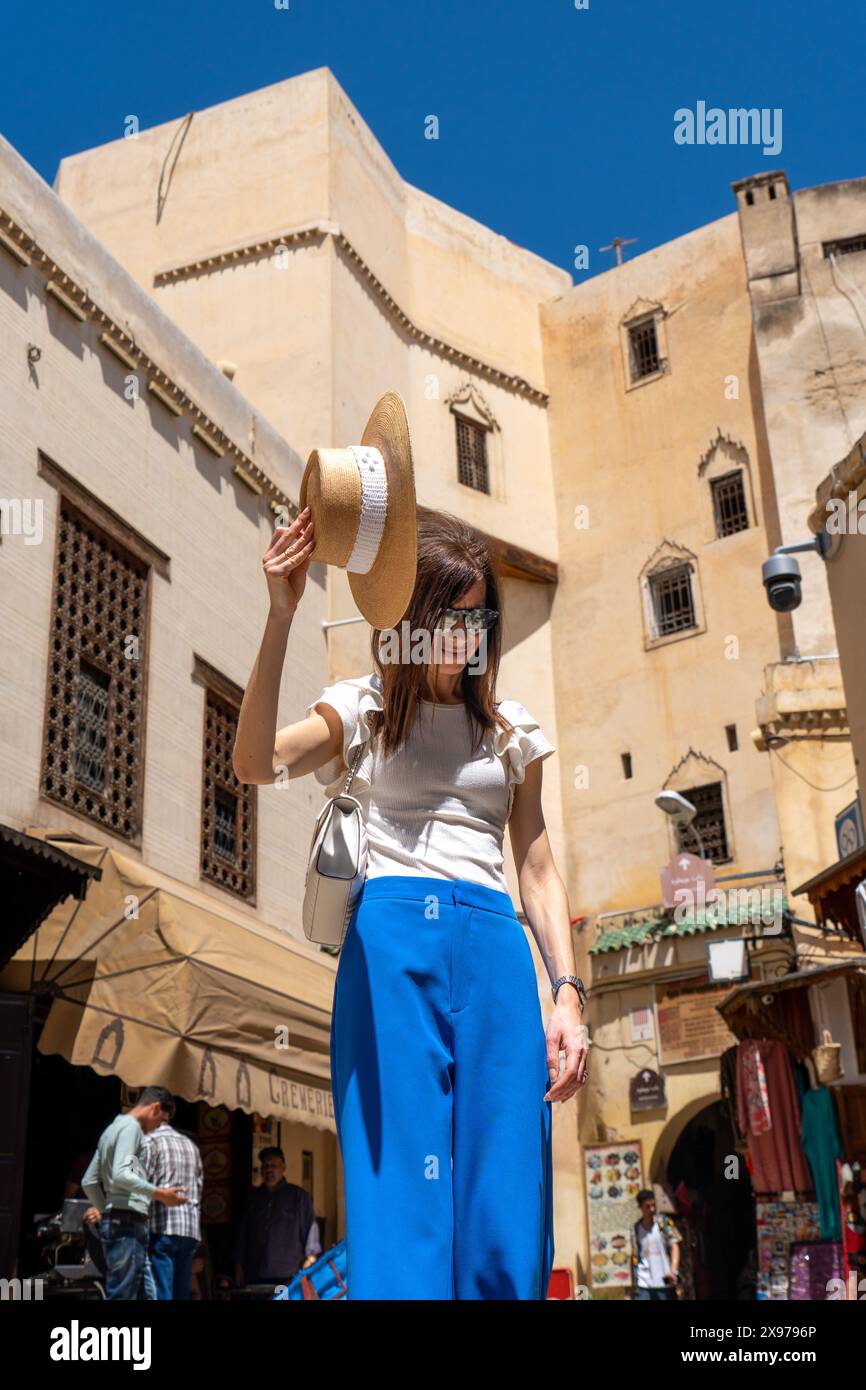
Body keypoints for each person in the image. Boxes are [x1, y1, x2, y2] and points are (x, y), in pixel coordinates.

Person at [232, 495, 589, 1300]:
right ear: (412, 619)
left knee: (507, 1192)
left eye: (479, 624)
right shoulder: (360, 708)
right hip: (390, 945)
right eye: (452, 621)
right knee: (402, 1192)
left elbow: (535, 864)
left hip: (497, 950)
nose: (467, 641)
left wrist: (566, 994)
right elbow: (253, 761)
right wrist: (281, 614)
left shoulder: (512, 730)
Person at [81, 1086, 187, 1300]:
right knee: (123, 1294)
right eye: (159, 1123)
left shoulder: (112, 1130)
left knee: (146, 1295)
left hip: (124, 1223)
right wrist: (161, 1194)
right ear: (155, 1108)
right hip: (127, 1225)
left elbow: (89, 1181)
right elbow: (122, 1175)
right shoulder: (132, 1128)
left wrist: (106, 1212)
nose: (155, 1129)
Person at [233, 1148, 321, 1288]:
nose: (269, 1170)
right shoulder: (253, 1199)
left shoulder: (299, 1197)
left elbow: (311, 1229)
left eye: (273, 1166)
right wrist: (238, 1266)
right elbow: (243, 1235)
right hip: (255, 1275)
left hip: (288, 1276)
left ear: (283, 1167)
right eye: (265, 1166)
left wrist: (310, 1260)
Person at [143, 1115, 203, 1300]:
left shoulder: (150, 1141)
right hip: (189, 1230)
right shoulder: (191, 1146)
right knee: (180, 1293)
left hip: (163, 1227)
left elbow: (139, 1185)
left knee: (161, 1293)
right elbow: (199, 1189)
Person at [631, 1189, 682, 1301]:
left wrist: (673, 1271)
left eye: (653, 1205)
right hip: (643, 1283)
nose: (652, 1209)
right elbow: (635, 1255)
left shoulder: (664, 1223)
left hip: (664, 1281)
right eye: (647, 1206)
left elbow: (675, 1245)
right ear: (640, 1207)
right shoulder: (636, 1229)